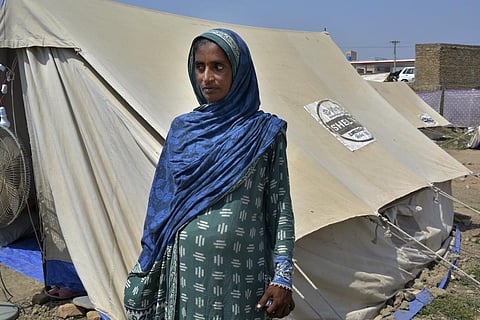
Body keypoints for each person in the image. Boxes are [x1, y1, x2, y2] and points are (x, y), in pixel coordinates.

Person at [124, 28, 295, 320]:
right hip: (188, 275)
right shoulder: (183, 130)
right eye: (199, 67)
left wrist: (282, 277)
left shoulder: (264, 132)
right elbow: (161, 207)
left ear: (239, 72)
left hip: (243, 279)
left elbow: (279, 208)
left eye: (218, 67)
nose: (207, 78)